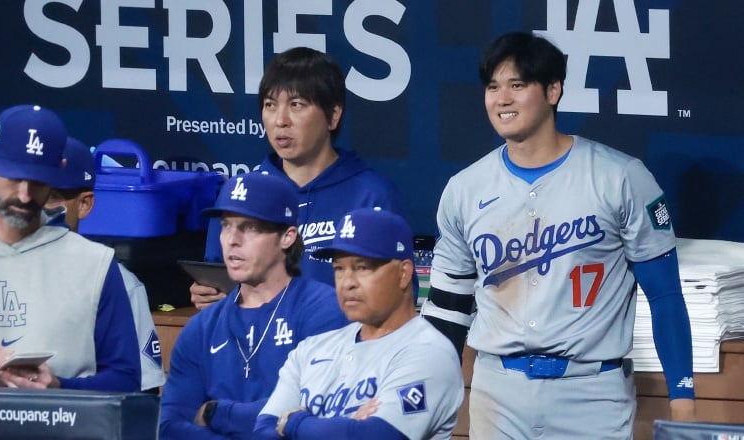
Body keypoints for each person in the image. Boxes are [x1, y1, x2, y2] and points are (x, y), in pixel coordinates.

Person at [419, 31, 696, 439]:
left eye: (517, 85)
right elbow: (447, 305)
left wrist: (683, 400)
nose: (502, 99)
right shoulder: (465, 189)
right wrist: (426, 393)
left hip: (592, 392)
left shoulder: (620, 177)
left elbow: (665, 295)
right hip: (498, 389)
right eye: (493, 87)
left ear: (553, 90)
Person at [192, 46, 408, 309]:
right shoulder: (239, 195)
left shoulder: (372, 195)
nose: (280, 120)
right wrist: (210, 297)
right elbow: (218, 283)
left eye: (297, 105)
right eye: (270, 105)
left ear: (333, 115)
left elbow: (399, 299)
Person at [160, 172, 348, 439]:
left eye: (249, 227)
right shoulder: (202, 328)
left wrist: (216, 412)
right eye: (226, 226)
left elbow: (309, 415)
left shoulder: (324, 312)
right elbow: (170, 427)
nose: (232, 239)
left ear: (287, 236)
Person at [254, 207, 464, 440]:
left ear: (404, 273)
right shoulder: (310, 349)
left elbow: (376, 436)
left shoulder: (429, 353)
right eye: (339, 269)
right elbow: (263, 432)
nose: (347, 283)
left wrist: (295, 423)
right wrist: (344, 428)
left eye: (362, 267)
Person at [0, 104, 140, 391]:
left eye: (37, 181)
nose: (24, 195)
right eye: (14, 177)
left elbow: (126, 381)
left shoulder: (94, 263)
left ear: (58, 171)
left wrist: (60, 387)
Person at [42, 136, 166, 393]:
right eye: (33, 191)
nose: (38, 206)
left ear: (84, 204)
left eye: (52, 196)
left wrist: (58, 389)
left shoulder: (118, 281)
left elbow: (143, 393)